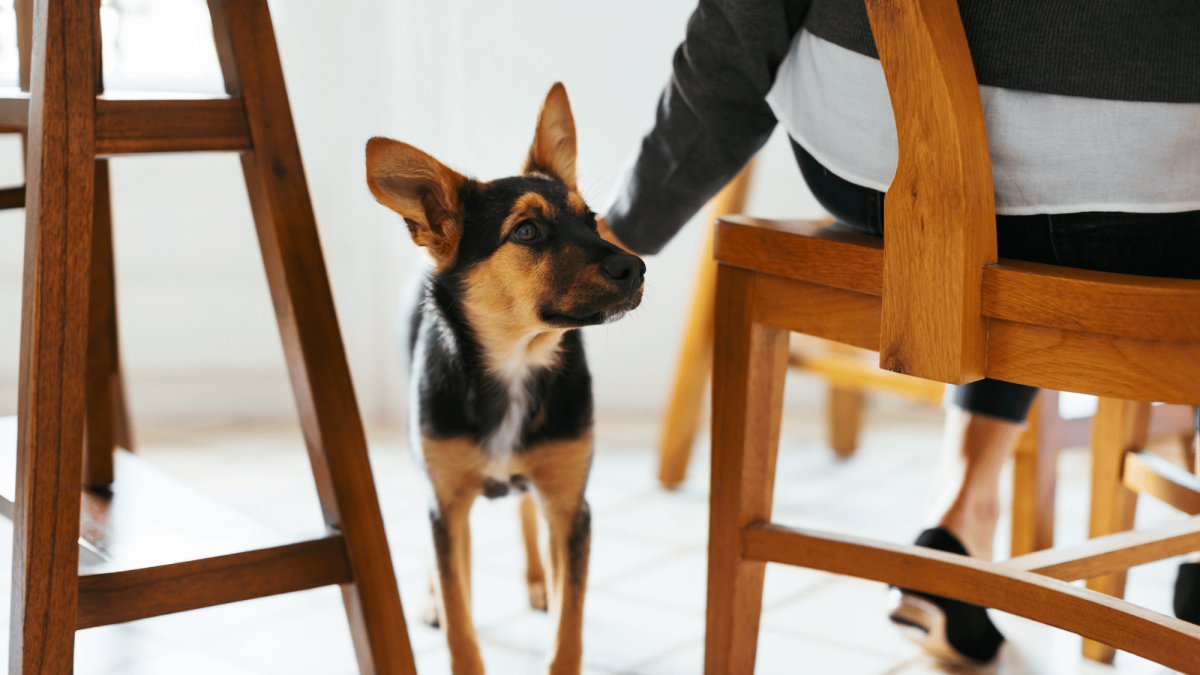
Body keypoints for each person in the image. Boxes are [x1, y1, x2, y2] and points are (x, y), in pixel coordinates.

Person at [597, 0, 1200, 666]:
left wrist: (619, 233)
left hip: (883, 156)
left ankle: (959, 517)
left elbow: (748, 17)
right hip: (1165, 198)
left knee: (980, 209)